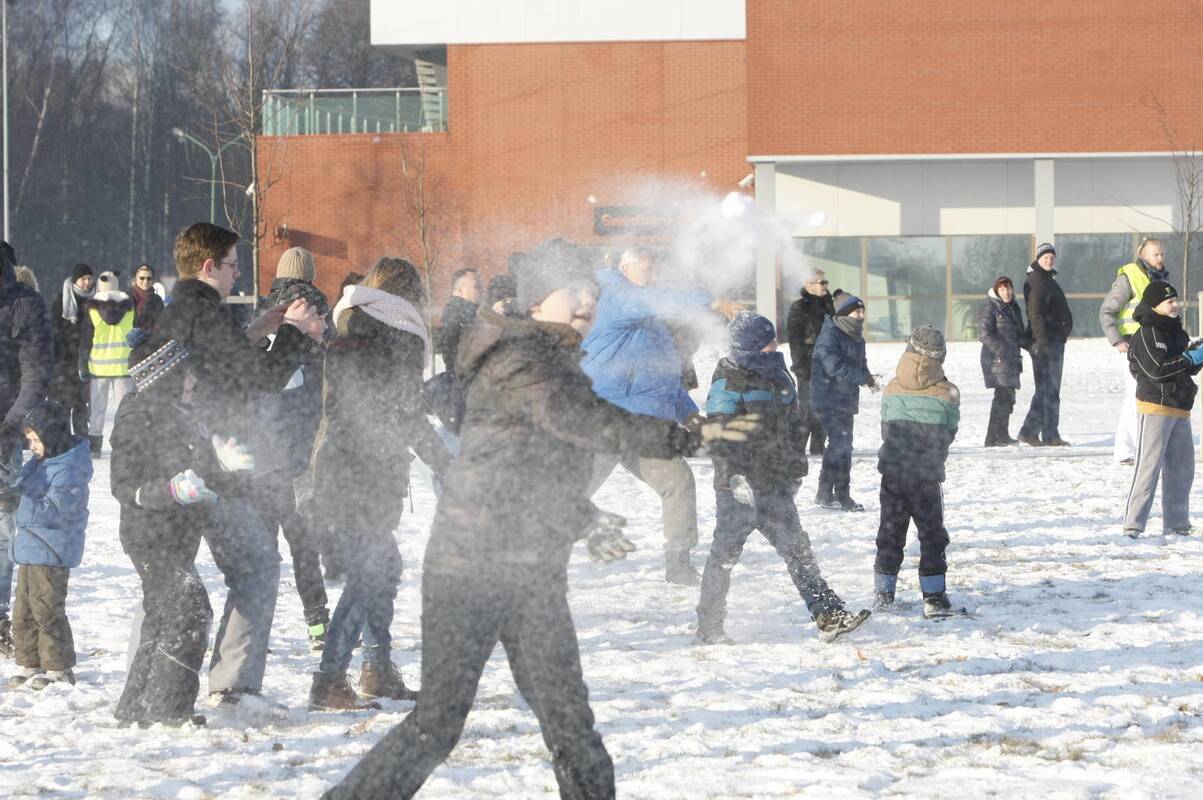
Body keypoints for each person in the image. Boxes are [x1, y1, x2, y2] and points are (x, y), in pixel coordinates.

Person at [321, 238, 756, 800]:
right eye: (572, 291)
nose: (587, 302)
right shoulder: (522, 361)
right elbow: (585, 420)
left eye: (592, 293)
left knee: (569, 723)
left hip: (525, 572)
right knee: (438, 725)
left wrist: (582, 516)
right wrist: (686, 437)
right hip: (469, 571)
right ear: (537, 300)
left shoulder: (547, 358)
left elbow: (525, 467)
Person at [148, 222, 323, 710]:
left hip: (175, 465)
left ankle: (149, 693)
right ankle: (234, 688)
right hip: (210, 469)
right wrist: (294, 333)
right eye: (231, 264)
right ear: (209, 267)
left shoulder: (178, 312)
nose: (237, 273)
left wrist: (256, 331)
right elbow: (262, 378)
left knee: (170, 580)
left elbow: (216, 367)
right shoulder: (207, 315)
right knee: (257, 566)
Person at [306, 257, 452, 710]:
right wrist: (444, 462)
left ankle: (376, 668)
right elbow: (404, 411)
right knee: (372, 571)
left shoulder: (348, 327)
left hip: (339, 462)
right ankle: (330, 677)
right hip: (367, 467)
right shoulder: (398, 333)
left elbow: (345, 407)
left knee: (382, 565)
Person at [696, 313, 871, 645]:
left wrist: (795, 468)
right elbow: (720, 439)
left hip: (774, 484)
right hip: (738, 489)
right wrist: (735, 479)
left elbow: (793, 428)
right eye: (767, 341)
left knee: (798, 550)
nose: (775, 345)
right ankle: (709, 627)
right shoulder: (728, 382)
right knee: (724, 557)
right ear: (749, 345)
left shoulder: (779, 374)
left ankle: (828, 614)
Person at [111, 340, 254, 726]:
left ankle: (136, 705)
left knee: (162, 616)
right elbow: (124, 485)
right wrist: (169, 491)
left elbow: (199, 474)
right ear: (164, 378)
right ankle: (168, 707)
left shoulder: (183, 415)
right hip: (149, 535)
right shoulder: (137, 416)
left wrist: (225, 467)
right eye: (184, 374)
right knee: (190, 609)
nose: (192, 380)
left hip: (178, 533)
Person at [582, 245, 741, 585]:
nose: (653, 276)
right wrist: (709, 301)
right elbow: (653, 300)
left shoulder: (650, 322)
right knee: (571, 492)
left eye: (655, 270)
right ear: (625, 269)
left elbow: (662, 376)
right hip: (606, 418)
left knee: (677, 482)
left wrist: (689, 414)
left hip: (644, 424)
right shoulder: (616, 298)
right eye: (646, 269)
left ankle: (678, 563)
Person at [252, 247, 332, 651]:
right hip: (301, 448)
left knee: (263, 549)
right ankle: (318, 624)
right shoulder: (317, 314)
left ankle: (254, 628)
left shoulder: (264, 315)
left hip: (263, 450)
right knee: (304, 545)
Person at [0, 401, 92, 689]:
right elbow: (22, 492)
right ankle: (31, 662)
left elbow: (54, 511)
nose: (32, 446)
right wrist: (7, 493)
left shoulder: (69, 469)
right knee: (24, 611)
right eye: (29, 440)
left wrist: (17, 502)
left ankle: (58, 667)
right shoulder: (38, 463)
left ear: (52, 436)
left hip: (52, 551)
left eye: (36, 440)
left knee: (47, 611)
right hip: (29, 548)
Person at [873, 326, 960, 618]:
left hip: (894, 473)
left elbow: (886, 428)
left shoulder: (891, 388)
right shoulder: (948, 392)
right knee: (932, 535)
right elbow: (949, 432)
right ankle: (934, 597)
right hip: (926, 476)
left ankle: (884, 594)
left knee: (890, 532)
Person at [0, 240, 53, 659]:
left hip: (6, 431)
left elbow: (36, 374)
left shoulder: (26, 305)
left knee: (4, 529)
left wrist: (10, 426)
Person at [1123, 281, 1203, 538]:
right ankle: (1133, 526)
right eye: (1169, 302)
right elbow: (1157, 371)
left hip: (1180, 407)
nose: (1175, 305)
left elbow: (1184, 368)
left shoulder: (1176, 331)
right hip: (1155, 407)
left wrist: (1197, 355)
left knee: (1182, 470)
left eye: (1175, 300)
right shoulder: (1146, 333)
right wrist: (1188, 358)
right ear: (1155, 305)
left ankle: (1177, 524)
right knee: (1148, 469)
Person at [1100, 238, 1169, 464]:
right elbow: (1107, 311)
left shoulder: (1161, 279)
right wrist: (1117, 341)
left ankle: (1141, 447)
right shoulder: (1129, 277)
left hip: (1155, 346)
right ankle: (1125, 450)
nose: (1160, 258)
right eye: (1156, 254)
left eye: (1162, 254)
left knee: (1149, 397)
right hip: (1133, 345)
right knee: (1136, 396)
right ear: (1144, 256)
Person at [810, 290, 877, 511]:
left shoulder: (857, 338)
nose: (861, 316)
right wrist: (861, 378)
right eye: (857, 312)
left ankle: (825, 493)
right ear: (845, 314)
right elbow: (833, 366)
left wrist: (868, 378)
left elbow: (861, 363)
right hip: (828, 398)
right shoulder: (830, 335)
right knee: (841, 446)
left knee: (840, 446)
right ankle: (841, 494)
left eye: (863, 312)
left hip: (845, 399)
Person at [1018, 242, 1073, 447]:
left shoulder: (1047, 279)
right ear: (1038, 259)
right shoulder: (1037, 280)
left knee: (1048, 390)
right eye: (1045, 257)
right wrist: (1041, 342)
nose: (1049, 260)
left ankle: (1033, 432)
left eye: (1051, 257)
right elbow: (1035, 314)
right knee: (1048, 390)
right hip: (1046, 343)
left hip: (1053, 340)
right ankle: (1046, 434)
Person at [78, 271, 135, 455]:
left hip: (99, 366)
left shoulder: (92, 309)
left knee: (97, 409)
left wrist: (82, 362)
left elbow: (86, 338)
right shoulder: (129, 307)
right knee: (125, 409)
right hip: (123, 365)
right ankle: (124, 444)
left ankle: (95, 446)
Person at [786, 268, 835, 454]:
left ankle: (818, 447)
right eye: (821, 283)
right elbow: (795, 339)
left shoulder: (830, 306)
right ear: (809, 285)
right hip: (807, 365)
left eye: (826, 282)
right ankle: (797, 448)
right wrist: (800, 366)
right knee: (806, 409)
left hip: (828, 365)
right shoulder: (799, 307)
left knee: (824, 407)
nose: (825, 286)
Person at [978, 276, 1029, 446]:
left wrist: (1033, 346)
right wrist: (1002, 350)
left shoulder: (1013, 308)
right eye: (1002, 289)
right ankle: (992, 438)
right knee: (1002, 398)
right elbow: (984, 334)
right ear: (997, 291)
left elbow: (1019, 335)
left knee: (1008, 398)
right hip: (996, 360)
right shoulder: (990, 307)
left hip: (1011, 360)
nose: (1006, 292)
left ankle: (1002, 434)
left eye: (1008, 288)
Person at [49, 263, 95, 439]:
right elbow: (55, 329)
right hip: (64, 360)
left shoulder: (96, 301)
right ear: (75, 280)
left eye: (89, 278)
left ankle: (82, 439)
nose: (87, 282)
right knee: (64, 403)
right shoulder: (62, 300)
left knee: (82, 404)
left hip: (86, 360)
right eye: (83, 279)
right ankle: (63, 439)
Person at [436, 267, 481, 372]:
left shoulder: (456, 312)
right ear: (461, 290)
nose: (480, 290)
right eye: (476, 286)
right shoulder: (463, 314)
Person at [131, 263, 166, 330]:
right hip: (131, 335)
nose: (145, 281)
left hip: (153, 336)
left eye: (149, 278)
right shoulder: (128, 297)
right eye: (142, 278)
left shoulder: (157, 300)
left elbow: (163, 323)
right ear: (135, 279)